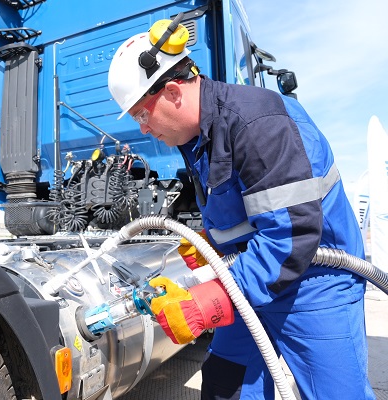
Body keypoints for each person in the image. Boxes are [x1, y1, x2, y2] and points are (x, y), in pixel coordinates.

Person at [107, 19, 374, 400]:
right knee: (223, 386)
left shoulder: (256, 122)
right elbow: (248, 210)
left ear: (171, 92)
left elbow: (291, 234)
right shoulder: (200, 137)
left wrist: (208, 301)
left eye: (141, 115)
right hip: (253, 280)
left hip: (314, 284)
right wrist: (209, 245)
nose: (144, 130)